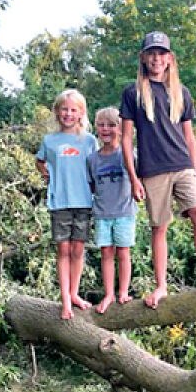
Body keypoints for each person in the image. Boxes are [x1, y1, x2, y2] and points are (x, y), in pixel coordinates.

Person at [120, 30, 196, 309]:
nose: (156, 58)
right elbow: (126, 138)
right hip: (153, 169)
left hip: (182, 165)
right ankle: (161, 286)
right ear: (144, 58)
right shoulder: (133, 93)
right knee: (159, 227)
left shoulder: (181, 92)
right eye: (151, 54)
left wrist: (195, 167)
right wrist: (134, 178)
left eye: (161, 54)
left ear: (169, 59)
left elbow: (189, 136)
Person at [35, 89, 97, 319]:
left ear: (81, 113)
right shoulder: (50, 141)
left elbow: (96, 166)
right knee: (63, 249)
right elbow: (40, 161)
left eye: (73, 110)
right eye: (65, 109)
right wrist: (47, 174)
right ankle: (64, 300)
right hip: (59, 201)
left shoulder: (89, 141)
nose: (68, 114)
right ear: (57, 112)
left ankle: (74, 293)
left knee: (78, 249)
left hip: (83, 201)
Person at [87, 107, 137, 313]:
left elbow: (139, 180)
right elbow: (91, 186)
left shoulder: (128, 155)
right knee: (106, 253)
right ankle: (108, 294)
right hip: (102, 214)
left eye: (111, 125)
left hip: (125, 212)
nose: (105, 129)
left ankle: (123, 292)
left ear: (121, 128)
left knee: (123, 252)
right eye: (101, 125)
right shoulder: (92, 159)